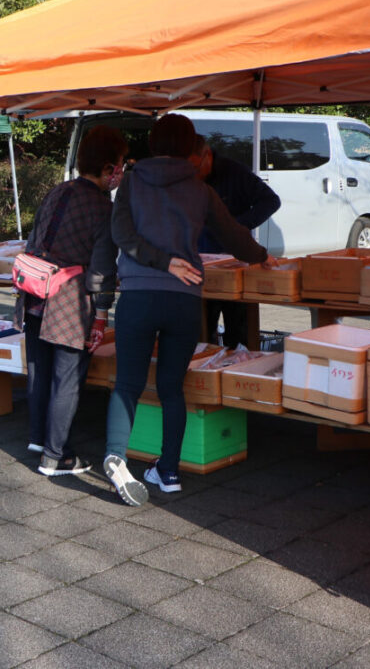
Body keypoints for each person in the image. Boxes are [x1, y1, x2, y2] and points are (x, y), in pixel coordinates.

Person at [103, 114, 272, 505]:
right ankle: (169, 471)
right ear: (191, 146)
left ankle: (115, 455)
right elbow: (234, 235)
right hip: (184, 299)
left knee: (127, 383)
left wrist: (157, 261)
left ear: (151, 142)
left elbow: (121, 235)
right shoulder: (200, 189)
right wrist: (263, 257)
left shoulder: (130, 182)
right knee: (171, 388)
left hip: (138, 295)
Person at [20, 125, 126, 477]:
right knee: (66, 379)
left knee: (39, 370)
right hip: (68, 300)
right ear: (109, 167)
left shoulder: (57, 191)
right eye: (120, 166)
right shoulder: (102, 207)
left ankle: (38, 438)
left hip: (34, 291)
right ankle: (56, 456)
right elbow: (101, 270)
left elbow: (35, 237)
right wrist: (101, 314)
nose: (121, 173)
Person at [194, 136, 282, 348]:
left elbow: (271, 201)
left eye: (196, 167)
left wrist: (237, 226)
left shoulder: (235, 172)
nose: (193, 173)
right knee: (202, 333)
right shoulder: (187, 179)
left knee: (239, 332)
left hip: (237, 262)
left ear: (207, 156)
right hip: (202, 265)